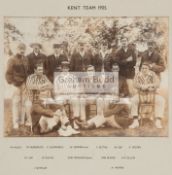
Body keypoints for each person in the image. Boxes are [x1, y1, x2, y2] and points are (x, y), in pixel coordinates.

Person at [26, 63, 79, 135]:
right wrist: (43, 87)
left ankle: (69, 127)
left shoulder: (44, 77)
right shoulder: (30, 78)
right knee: (32, 106)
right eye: (39, 70)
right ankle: (61, 129)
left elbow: (51, 86)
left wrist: (43, 89)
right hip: (33, 100)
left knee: (60, 107)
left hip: (44, 101)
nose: (41, 71)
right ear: (35, 70)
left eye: (42, 70)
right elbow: (30, 86)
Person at [129, 63, 165, 129]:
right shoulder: (138, 75)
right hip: (141, 94)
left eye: (146, 68)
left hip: (152, 94)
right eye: (142, 68)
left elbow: (157, 83)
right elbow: (135, 84)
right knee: (133, 100)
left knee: (161, 100)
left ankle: (158, 120)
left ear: (149, 69)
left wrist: (149, 86)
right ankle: (135, 121)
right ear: (141, 69)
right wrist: (141, 86)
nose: (144, 70)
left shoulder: (153, 74)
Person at [5, 43, 31, 129]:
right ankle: (15, 122)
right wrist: (12, 83)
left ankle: (21, 121)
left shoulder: (25, 59)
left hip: (24, 83)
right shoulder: (12, 59)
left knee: (23, 103)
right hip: (15, 84)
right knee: (16, 103)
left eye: (23, 49)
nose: (22, 50)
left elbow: (27, 71)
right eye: (20, 49)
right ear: (17, 49)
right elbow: (8, 73)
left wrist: (27, 82)